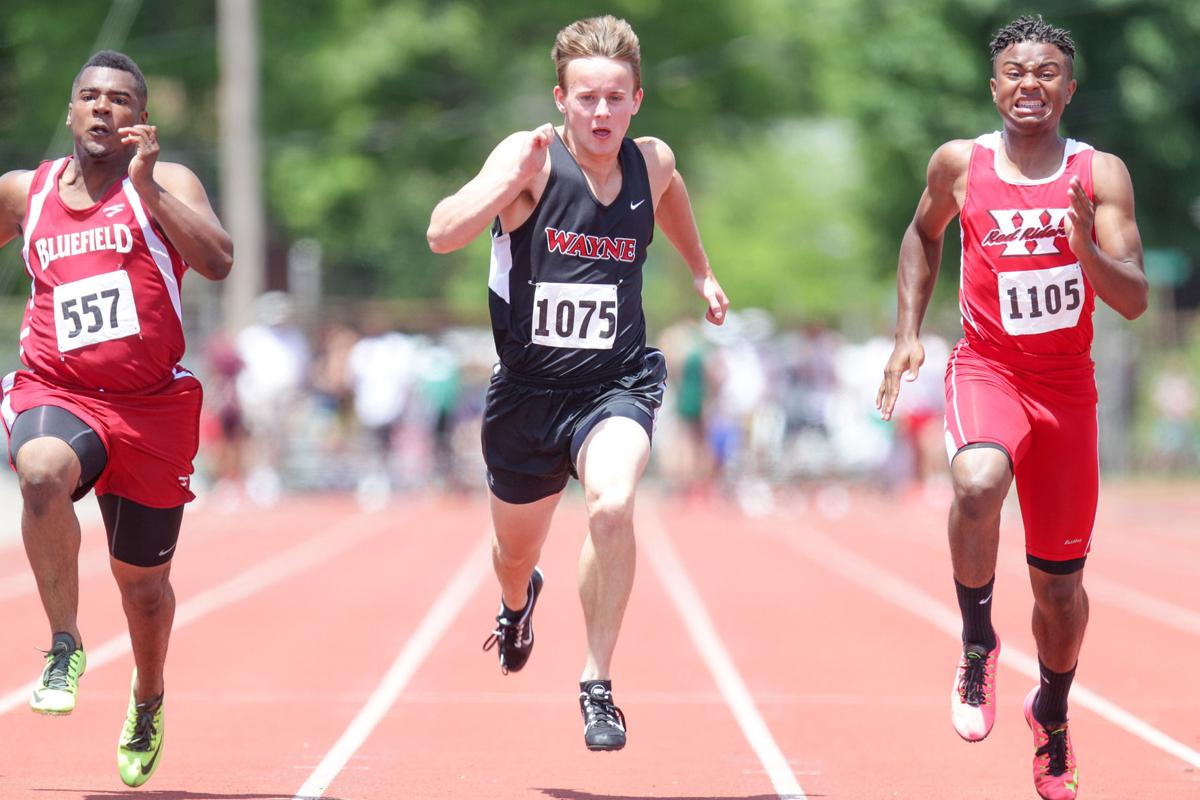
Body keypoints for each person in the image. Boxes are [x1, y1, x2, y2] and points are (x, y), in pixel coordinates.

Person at [427, 15, 728, 752]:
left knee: (614, 505)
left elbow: (673, 195)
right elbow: (441, 231)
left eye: (615, 98)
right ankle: (516, 603)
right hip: (527, 396)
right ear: (561, 98)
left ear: (636, 101)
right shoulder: (529, 158)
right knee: (513, 558)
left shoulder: (650, 163)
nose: (600, 113)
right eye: (586, 98)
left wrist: (701, 269)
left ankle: (598, 683)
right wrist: (504, 182)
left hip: (614, 384)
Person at [876, 16, 1146, 800]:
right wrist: (905, 333)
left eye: (1048, 71)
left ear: (1069, 87)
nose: (1031, 83)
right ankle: (975, 641)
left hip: (1067, 389)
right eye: (1016, 72)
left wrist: (1085, 250)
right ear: (994, 87)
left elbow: (1132, 298)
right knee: (977, 480)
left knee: (1060, 594)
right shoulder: (961, 164)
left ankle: (1052, 716)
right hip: (987, 368)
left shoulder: (1101, 175)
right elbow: (921, 238)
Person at [0, 50, 233, 786]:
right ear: (70, 113)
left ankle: (147, 692)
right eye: (91, 97)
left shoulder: (168, 185)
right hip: (57, 389)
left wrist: (149, 191)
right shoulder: (23, 193)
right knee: (39, 472)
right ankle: (65, 644)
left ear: (140, 122)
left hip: (151, 410)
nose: (104, 108)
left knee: (143, 587)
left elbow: (220, 260)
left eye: (121, 100)